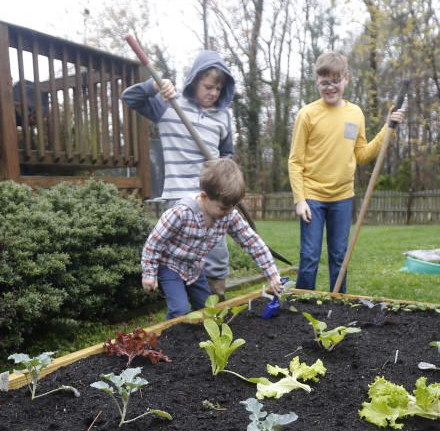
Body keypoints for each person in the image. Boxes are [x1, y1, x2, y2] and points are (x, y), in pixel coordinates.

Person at [123, 50, 236, 300]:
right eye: (208, 86)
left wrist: (224, 172)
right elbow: (130, 97)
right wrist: (154, 85)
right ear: (194, 81)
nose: (213, 93)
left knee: (217, 256)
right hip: (179, 197)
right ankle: (181, 311)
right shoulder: (168, 104)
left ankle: (214, 305)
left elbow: (228, 154)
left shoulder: (224, 116)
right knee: (180, 257)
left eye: (219, 88)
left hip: (213, 197)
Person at [288, 51, 404, 294]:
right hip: (312, 197)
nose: (330, 88)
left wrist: (387, 128)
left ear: (346, 79)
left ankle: (337, 305)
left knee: (340, 257)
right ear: (317, 83)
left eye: (335, 81)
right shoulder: (307, 114)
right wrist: (300, 199)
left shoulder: (355, 114)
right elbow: (295, 161)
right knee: (309, 257)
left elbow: (361, 155)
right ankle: (301, 305)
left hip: (342, 197)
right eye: (324, 83)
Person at [141, 158, 283, 319]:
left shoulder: (229, 216)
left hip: (195, 268)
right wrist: (149, 273)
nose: (229, 213)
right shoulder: (180, 213)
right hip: (171, 267)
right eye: (223, 208)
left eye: (233, 207)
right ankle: (167, 339)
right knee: (180, 311)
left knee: (208, 310)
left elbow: (252, 242)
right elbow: (154, 243)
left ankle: (202, 338)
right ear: (204, 196)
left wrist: (272, 274)